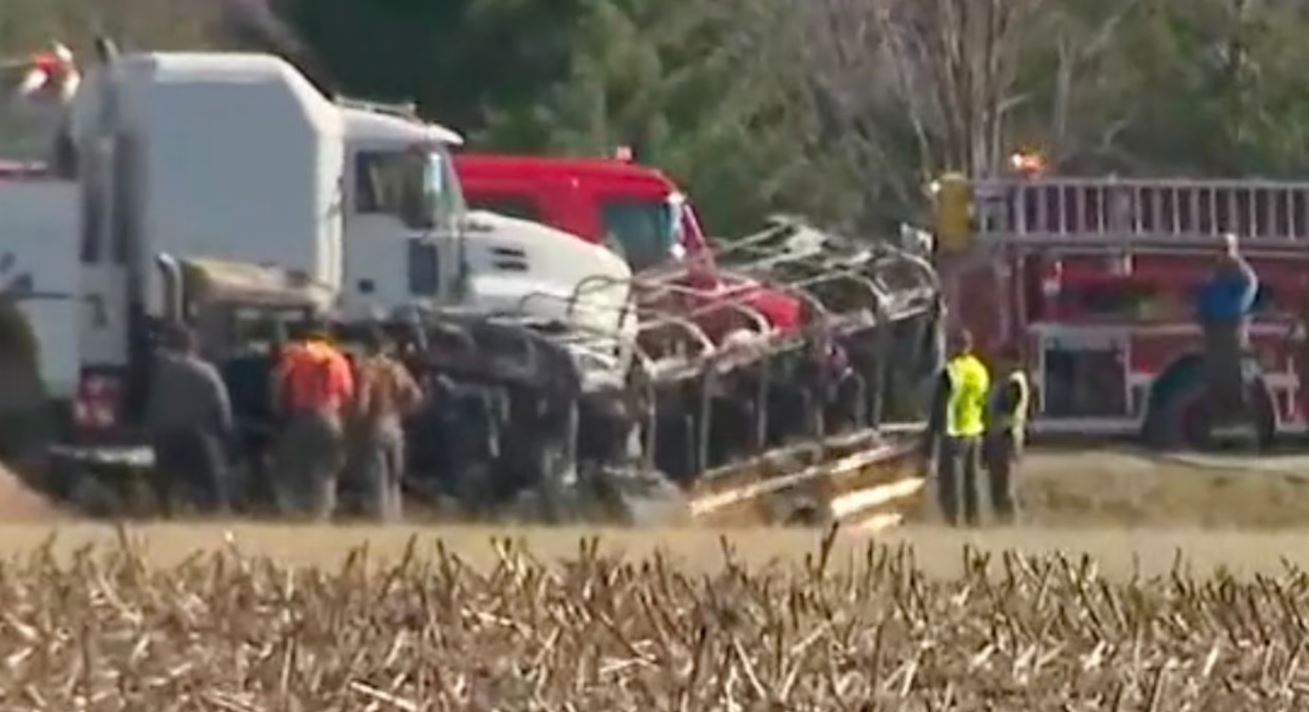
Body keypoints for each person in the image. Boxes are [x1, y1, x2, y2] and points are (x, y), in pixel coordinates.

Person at [269, 315, 355, 520]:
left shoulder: (296, 355)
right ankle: (320, 516)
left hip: (302, 417)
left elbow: (276, 381)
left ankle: (293, 513)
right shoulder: (338, 359)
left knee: (294, 468)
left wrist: (277, 408)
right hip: (330, 418)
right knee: (326, 471)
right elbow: (348, 395)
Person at [144, 322, 233, 515]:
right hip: (197, 435)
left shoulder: (158, 368)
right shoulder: (205, 371)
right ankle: (214, 512)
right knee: (213, 483)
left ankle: (164, 512)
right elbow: (221, 403)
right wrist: (225, 430)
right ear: (192, 345)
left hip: (164, 435)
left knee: (165, 483)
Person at [345, 326, 423, 522]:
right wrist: (400, 413)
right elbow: (416, 396)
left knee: (376, 477)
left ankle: (378, 520)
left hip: (374, 424)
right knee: (394, 478)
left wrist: (355, 423)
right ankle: (395, 518)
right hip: (394, 425)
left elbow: (362, 400)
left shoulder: (367, 369)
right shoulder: (396, 368)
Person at [925, 327, 990, 527]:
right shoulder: (980, 370)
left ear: (954, 346)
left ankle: (952, 520)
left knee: (951, 482)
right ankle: (975, 519)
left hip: (953, 432)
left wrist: (931, 437)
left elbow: (939, 405)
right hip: (975, 430)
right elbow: (983, 400)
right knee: (972, 481)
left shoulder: (950, 371)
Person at [1196, 233, 1259, 417]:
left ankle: (1241, 410)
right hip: (1213, 329)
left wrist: (1228, 313)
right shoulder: (1213, 272)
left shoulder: (1242, 272)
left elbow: (1246, 294)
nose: (1223, 252)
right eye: (1220, 248)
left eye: (1226, 248)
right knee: (1215, 371)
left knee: (1235, 370)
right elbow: (1204, 295)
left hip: (1232, 328)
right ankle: (1219, 412)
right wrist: (1203, 313)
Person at [984, 343, 1029, 525]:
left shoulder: (1013, 382)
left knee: (1004, 484)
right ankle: (1002, 519)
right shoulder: (1006, 380)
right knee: (998, 484)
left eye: (1002, 359)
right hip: (1001, 435)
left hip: (1006, 436)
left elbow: (1006, 409)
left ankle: (1009, 521)